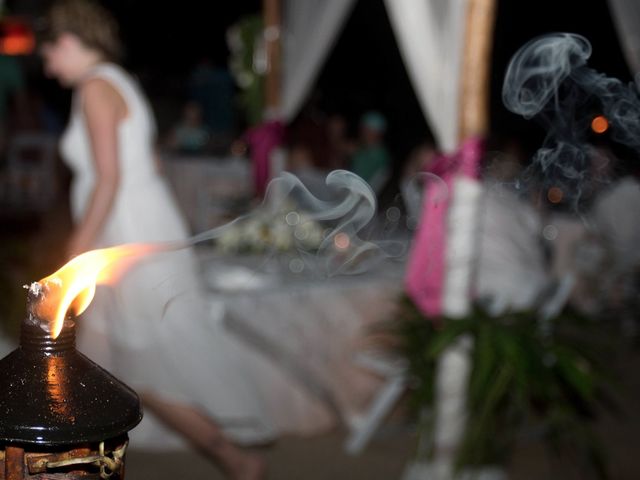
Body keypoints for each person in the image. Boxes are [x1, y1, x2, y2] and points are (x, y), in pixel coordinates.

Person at [39, 1, 267, 478]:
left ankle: (235, 459)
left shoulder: (96, 87)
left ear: (67, 41)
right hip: (142, 225)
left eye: (49, 52)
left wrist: (73, 255)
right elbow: (153, 164)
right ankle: (78, 457)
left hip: (123, 235)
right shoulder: (119, 80)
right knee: (103, 352)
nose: (46, 65)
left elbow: (108, 178)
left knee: (144, 363)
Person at [348, 111, 391, 193]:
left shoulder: (378, 154)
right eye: (363, 129)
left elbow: (359, 180)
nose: (362, 132)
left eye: (366, 129)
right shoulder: (363, 148)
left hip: (359, 196)